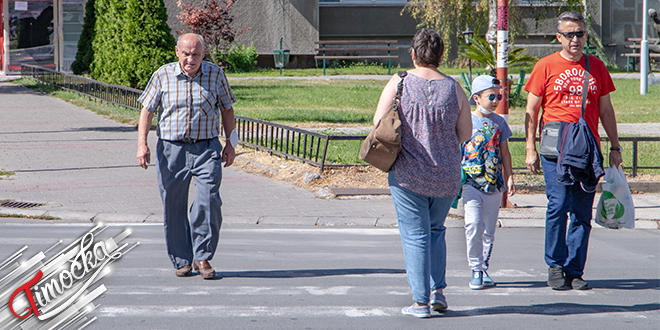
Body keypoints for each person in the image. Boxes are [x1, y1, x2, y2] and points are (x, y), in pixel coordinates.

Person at [373, 28, 472, 318]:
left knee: (415, 235)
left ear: (413, 54)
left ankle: (420, 302)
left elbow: (380, 121)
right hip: (446, 175)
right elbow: (465, 133)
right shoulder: (454, 88)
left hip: (408, 174)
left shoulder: (399, 81)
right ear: (441, 56)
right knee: (436, 231)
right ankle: (437, 291)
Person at [524, 11, 623, 290]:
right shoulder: (545, 65)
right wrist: (530, 148)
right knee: (557, 206)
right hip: (555, 148)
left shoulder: (597, 67)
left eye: (580, 33)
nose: (576, 39)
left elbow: (606, 110)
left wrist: (615, 146)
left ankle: (575, 269)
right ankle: (555, 265)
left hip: (586, 150)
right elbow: (531, 110)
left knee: (581, 211)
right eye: (570, 34)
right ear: (559, 37)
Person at [136, 33, 237, 280]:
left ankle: (202, 256)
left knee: (209, 200)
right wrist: (142, 144)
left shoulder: (216, 75)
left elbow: (227, 109)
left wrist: (230, 144)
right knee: (173, 205)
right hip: (172, 150)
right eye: (186, 53)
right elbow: (147, 110)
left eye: (196, 54)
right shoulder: (163, 75)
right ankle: (182, 260)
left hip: (207, 148)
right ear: (177, 52)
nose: (190, 59)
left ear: (203, 54)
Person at [461, 75, 515, 290]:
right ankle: (475, 268)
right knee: (473, 224)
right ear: (476, 98)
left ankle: (483, 268)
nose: (496, 100)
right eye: (491, 96)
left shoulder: (499, 122)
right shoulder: (465, 120)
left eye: (499, 96)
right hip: (470, 183)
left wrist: (509, 176)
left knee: (488, 230)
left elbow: (505, 152)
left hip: (494, 184)